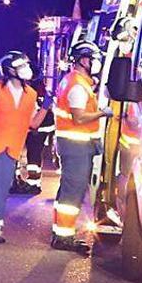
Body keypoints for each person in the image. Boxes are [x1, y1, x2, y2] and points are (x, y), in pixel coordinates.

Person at [0, 52, 45, 245]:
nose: (26, 70)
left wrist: (46, 108)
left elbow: (33, 124)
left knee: (3, 189)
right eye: (21, 66)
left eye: (26, 65)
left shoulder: (31, 94)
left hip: (12, 147)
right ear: (10, 70)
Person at [50, 41, 113, 253]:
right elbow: (79, 117)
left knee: (67, 190)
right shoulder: (77, 85)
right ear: (84, 60)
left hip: (74, 145)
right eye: (94, 59)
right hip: (76, 145)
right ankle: (63, 238)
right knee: (72, 193)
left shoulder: (75, 81)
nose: (97, 63)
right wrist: (103, 112)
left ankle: (60, 232)